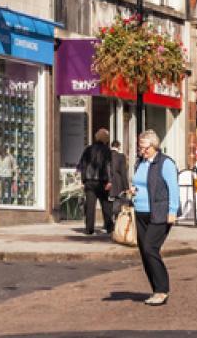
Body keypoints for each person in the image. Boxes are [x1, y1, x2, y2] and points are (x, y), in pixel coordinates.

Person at [126, 129, 182, 306]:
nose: (141, 150)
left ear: (153, 146)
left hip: (159, 213)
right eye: (139, 147)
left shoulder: (165, 163)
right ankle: (156, 289)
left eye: (143, 147)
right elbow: (139, 183)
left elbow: (173, 189)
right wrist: (133, 191)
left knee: (150, 248)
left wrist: (172, 211)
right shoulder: (139, 163)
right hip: (140, 211)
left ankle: (162, 290)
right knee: (144, 252)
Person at [75, 127, 118, 235]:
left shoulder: (88, 149)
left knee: (90, 206)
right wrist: (110, 180)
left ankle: (89, 229)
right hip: (102, 181)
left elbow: (82, 164)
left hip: (89, 181)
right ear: (106, 139)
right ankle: (109, 227)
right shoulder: (107, 151)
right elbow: (108, 166)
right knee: (106, 205)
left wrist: (83, 179)